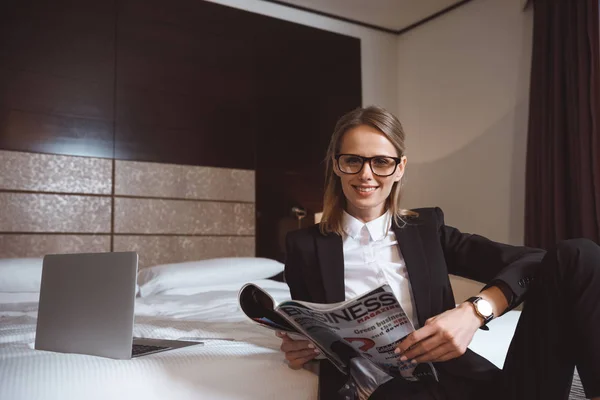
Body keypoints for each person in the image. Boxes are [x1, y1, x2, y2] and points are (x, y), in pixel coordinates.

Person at [277, 105, 600, 400]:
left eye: (381, 162)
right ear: (337, 165)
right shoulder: (305, 246)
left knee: (578, 255)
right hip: (383, 391)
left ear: (400, 168)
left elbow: (535, 260)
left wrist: (474, 312)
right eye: (353, 160)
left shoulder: (427, 229)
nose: (366, 174)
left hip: (468, 385)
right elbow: (311, 327)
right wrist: (303, 348)